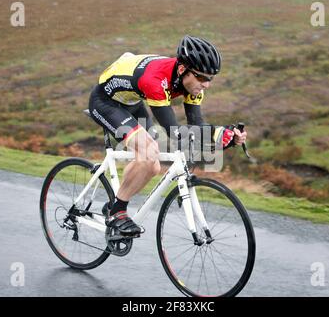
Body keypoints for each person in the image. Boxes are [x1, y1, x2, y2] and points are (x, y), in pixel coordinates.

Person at [88, 35, 247, 236]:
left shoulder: (191, 84)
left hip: (132, 101)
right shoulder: (156, 81)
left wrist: (226, 138)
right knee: (148, 152)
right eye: (202, 77)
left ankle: (115, 202)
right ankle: (116, 212)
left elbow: (196, 126)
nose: (206, 84)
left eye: (210, 78)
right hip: (105, 103)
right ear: (183, 70)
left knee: (152, 165)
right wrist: (216, 133)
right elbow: (175, 132)